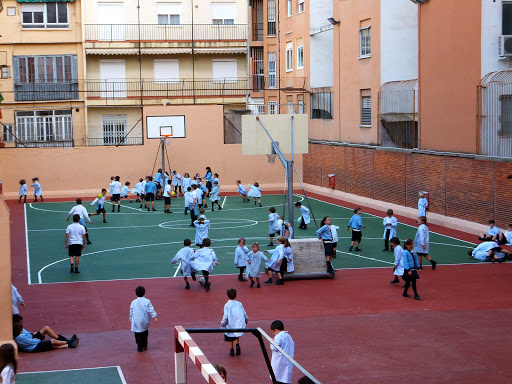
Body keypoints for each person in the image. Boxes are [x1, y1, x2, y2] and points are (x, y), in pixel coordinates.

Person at [13, 320, 78, 352]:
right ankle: (68, 342)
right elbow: (32, 342)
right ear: (18, 330)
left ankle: (67, 342)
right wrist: (39, 340)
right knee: (52, 342)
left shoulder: (20, 333)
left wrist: (33, 335)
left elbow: (28, 336)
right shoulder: (19, 337)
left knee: (46, 328)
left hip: (33, 339)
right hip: (33, 347)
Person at [220, 288, 249, 357]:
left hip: (229, 322)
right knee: (236, 334)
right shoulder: (239, 303)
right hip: (237, 321)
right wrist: (246, 319)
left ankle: (231, 350)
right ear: (236, 296)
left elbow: (226, 315)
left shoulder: (227, 305)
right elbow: (244, 312)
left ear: (227, 296)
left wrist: (223, 322)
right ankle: (237, 345)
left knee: (229, 335)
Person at [130, 286, 158, 352]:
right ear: (144, 293)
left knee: (137, 333)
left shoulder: (133, 302)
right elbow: (151, 309)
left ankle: (140, 346)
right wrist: (155, 316)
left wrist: (131, 318)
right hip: (145, 320)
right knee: (145, 332)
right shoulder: (147, 301)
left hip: (137, 320)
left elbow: (131, 311)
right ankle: (145, 345)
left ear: (136, 293)